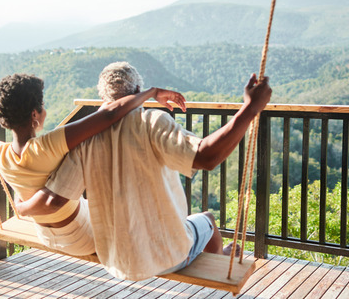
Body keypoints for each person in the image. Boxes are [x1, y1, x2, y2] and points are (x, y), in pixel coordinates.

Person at [16, 62, 271, 281]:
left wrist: (21, 205)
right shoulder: (152, 123)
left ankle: (217, 256)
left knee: (197, 227)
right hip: (167, 256)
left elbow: (54, 199)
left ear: (105, 99)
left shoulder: (86, 139)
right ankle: (220, 260)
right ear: (138, 92)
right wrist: (250, 109)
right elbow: (206, 157)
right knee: (208, 221)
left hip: (117, 260)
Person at [0, 73, 186, 256]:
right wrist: (151, 92)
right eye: (42, 106)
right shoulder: (47, 146)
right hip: (82, 237)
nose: (44, 110)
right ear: (35, 114)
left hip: (47, 234)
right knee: (88, 143)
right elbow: (108, 116)